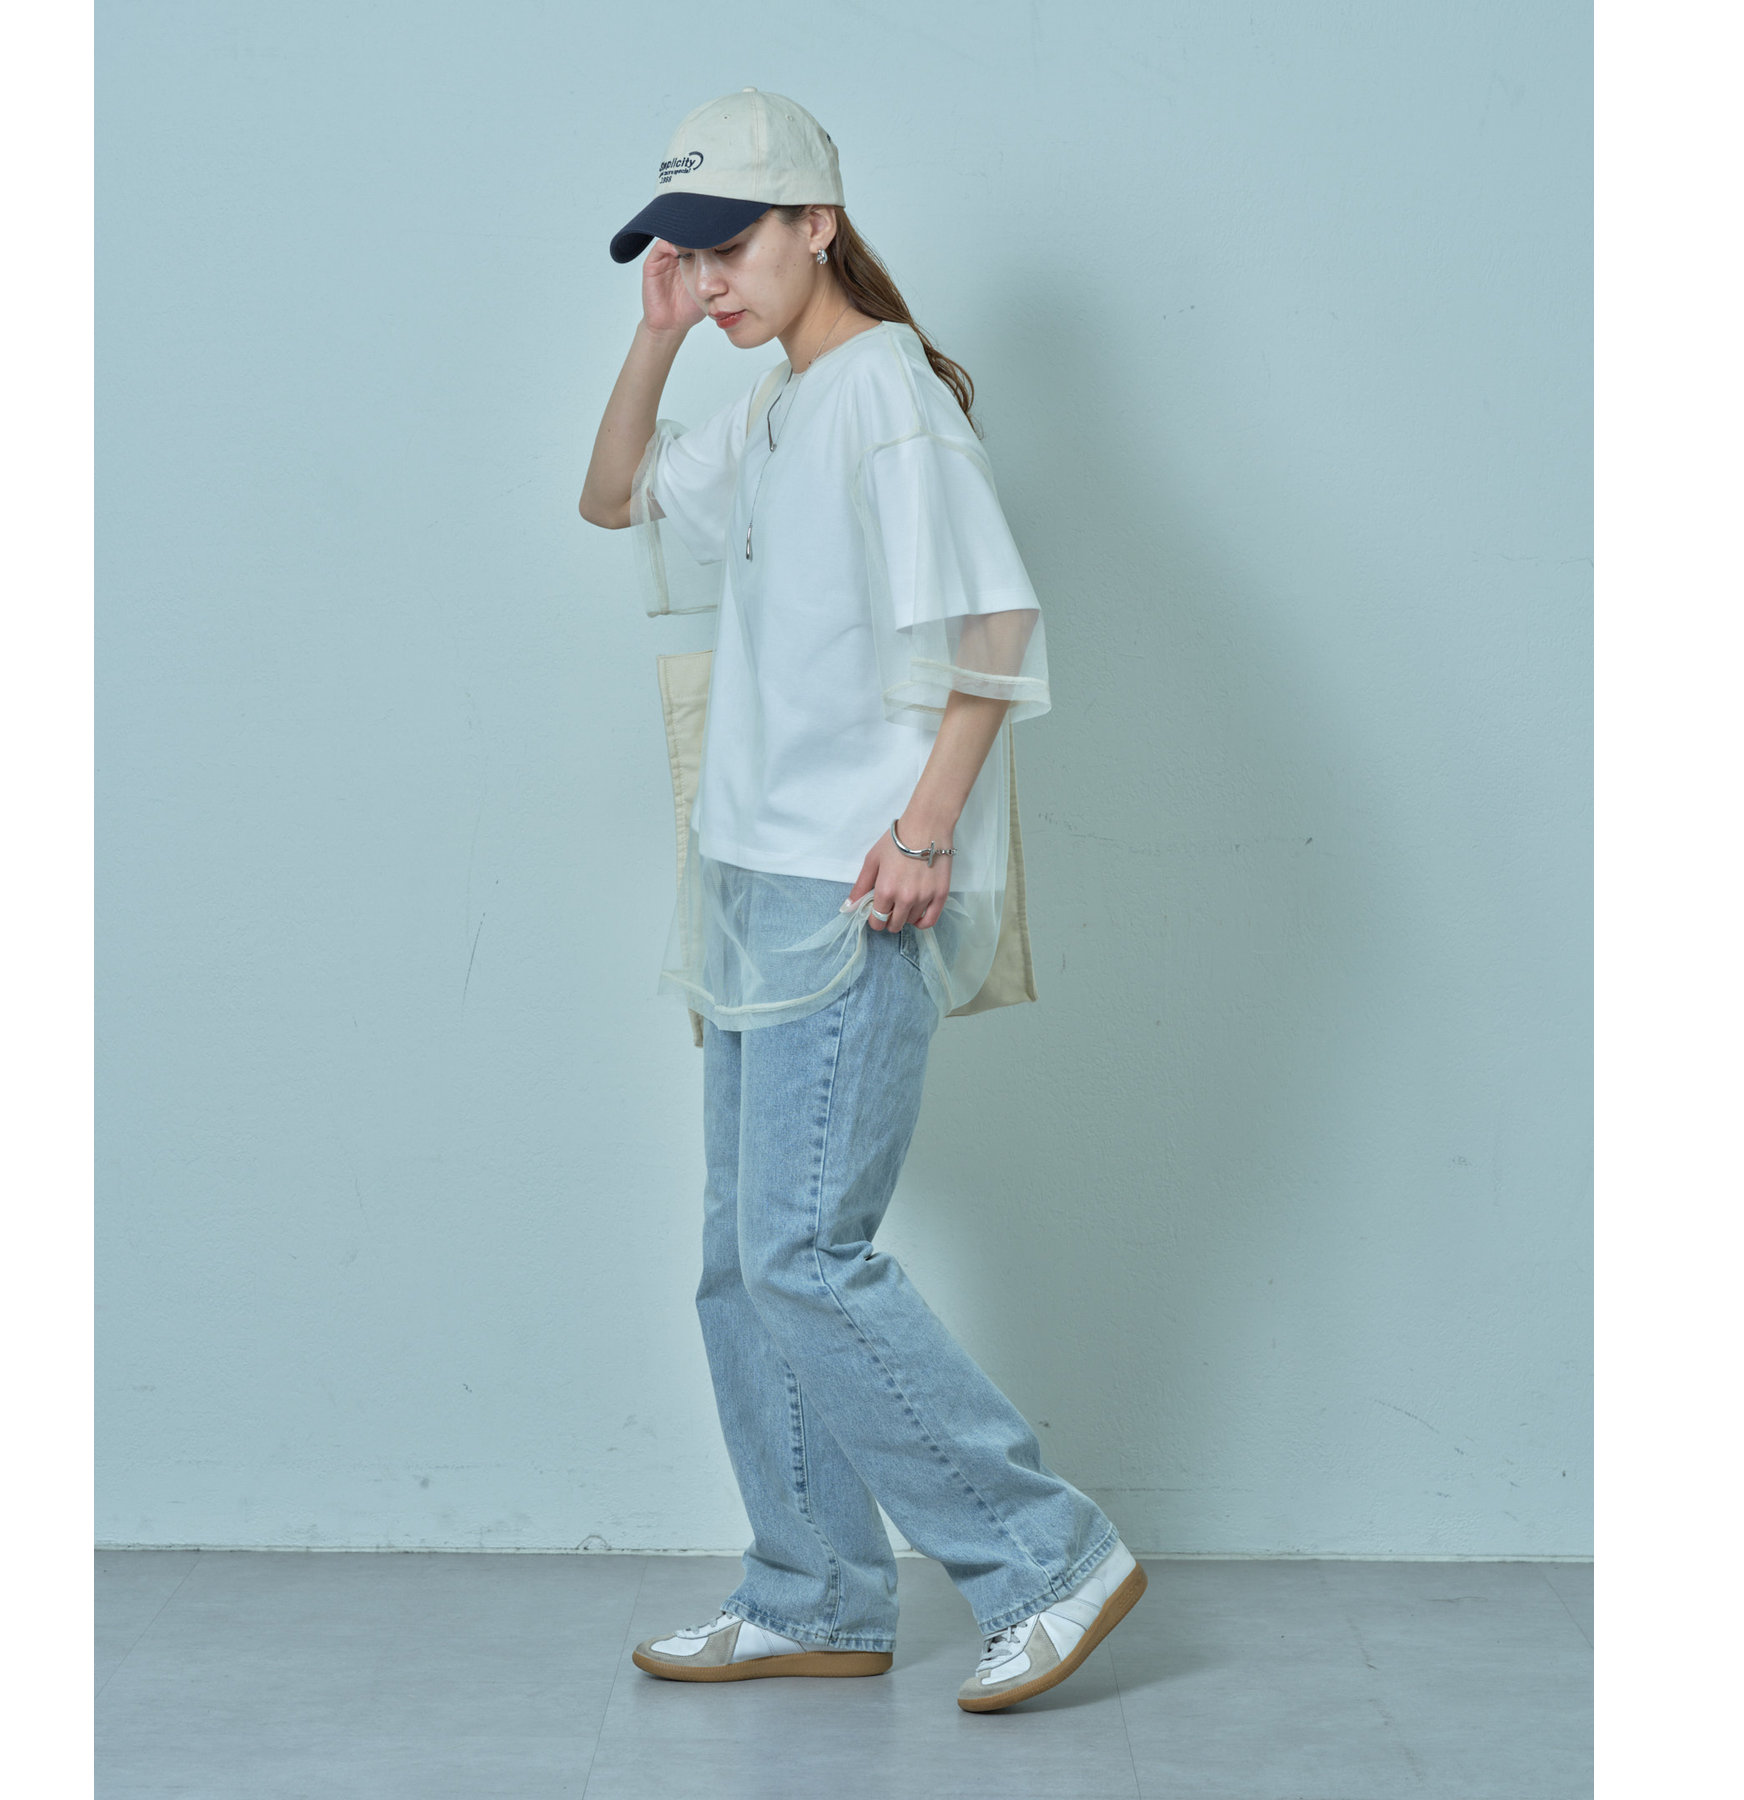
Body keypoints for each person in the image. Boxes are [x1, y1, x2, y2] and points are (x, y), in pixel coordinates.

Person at [579, 88, 1145, 1713]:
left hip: (853, 885)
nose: (712, 279)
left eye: (731, 245)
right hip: (748, 877)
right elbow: (613, 495)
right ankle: (815, 1591)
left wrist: (923, 833)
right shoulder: (779, 405)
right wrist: (658, 339)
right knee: (738, 1263)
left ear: (817, 224)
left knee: (805, 1255)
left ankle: (1048, 1557)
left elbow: (995, 624)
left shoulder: (886, 394)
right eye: (686, 255)